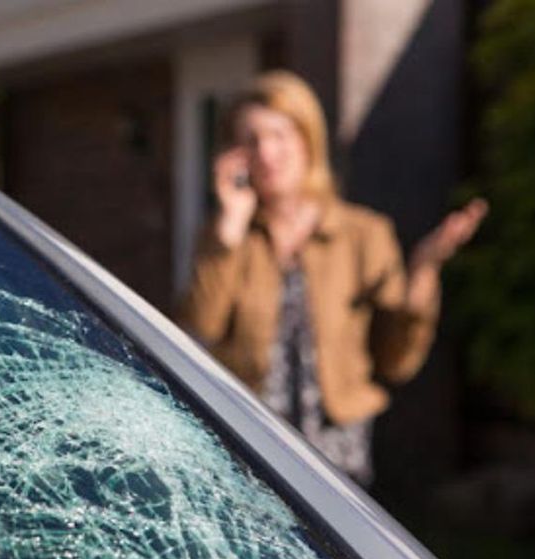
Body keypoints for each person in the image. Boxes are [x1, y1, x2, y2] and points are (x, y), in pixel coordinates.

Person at [178, 70, 487, 484]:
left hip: (338, 457)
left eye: (279, 135)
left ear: (308, 140)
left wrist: (424, 271)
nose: (266, 153)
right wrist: (227, 234)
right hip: (247, 451)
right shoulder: (226, 237)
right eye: (250, 140)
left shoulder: (364, 234)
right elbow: (198, 332)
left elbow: (397, 361)